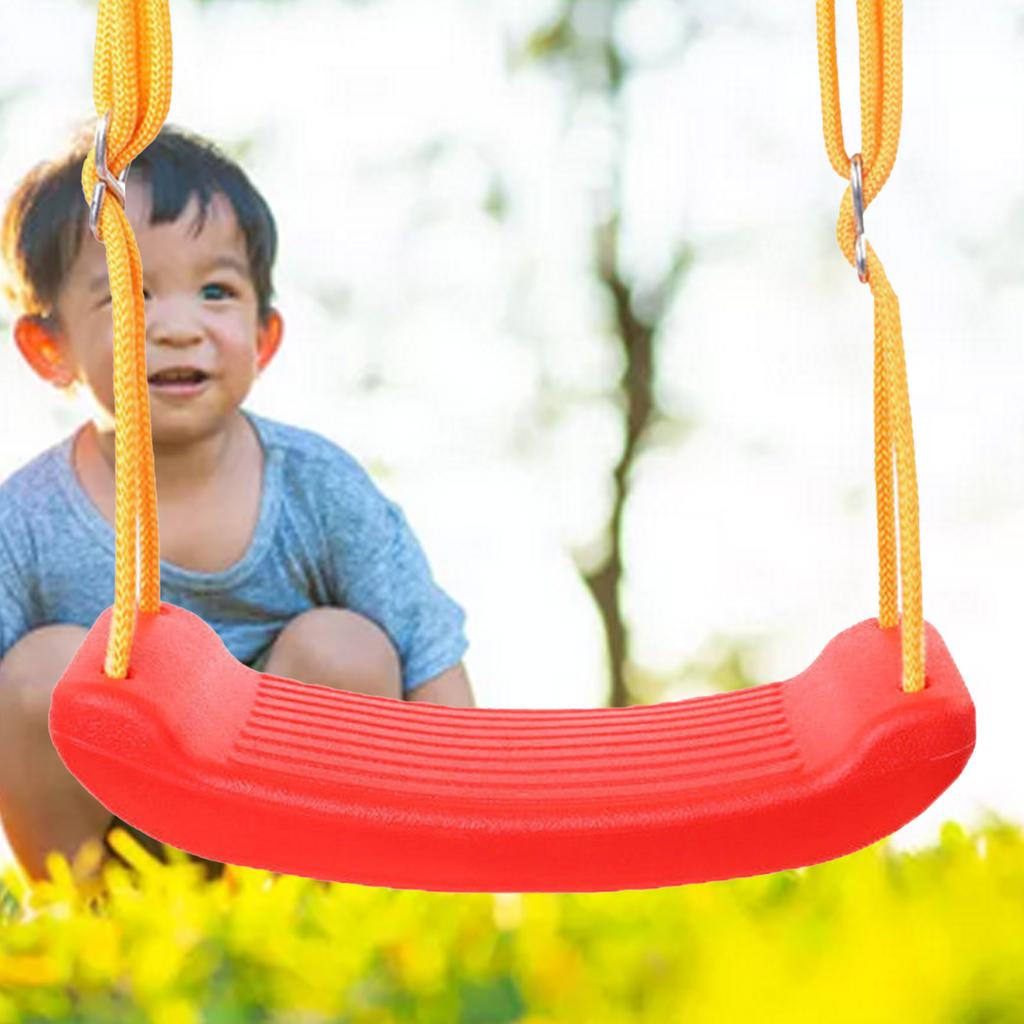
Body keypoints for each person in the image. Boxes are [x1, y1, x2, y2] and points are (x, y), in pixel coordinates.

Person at [0, 118, 476, 885]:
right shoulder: (25, 520)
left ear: (264, 336)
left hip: (292, 829)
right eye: (130, 294)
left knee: (346, 647)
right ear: (48, 349)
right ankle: (89, 937)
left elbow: (430, 668)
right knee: (38, 671)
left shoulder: (316, 488)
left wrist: (462, 859)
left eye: (216, 291)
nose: (178, 327)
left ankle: (320, 921)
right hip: (117, 845)